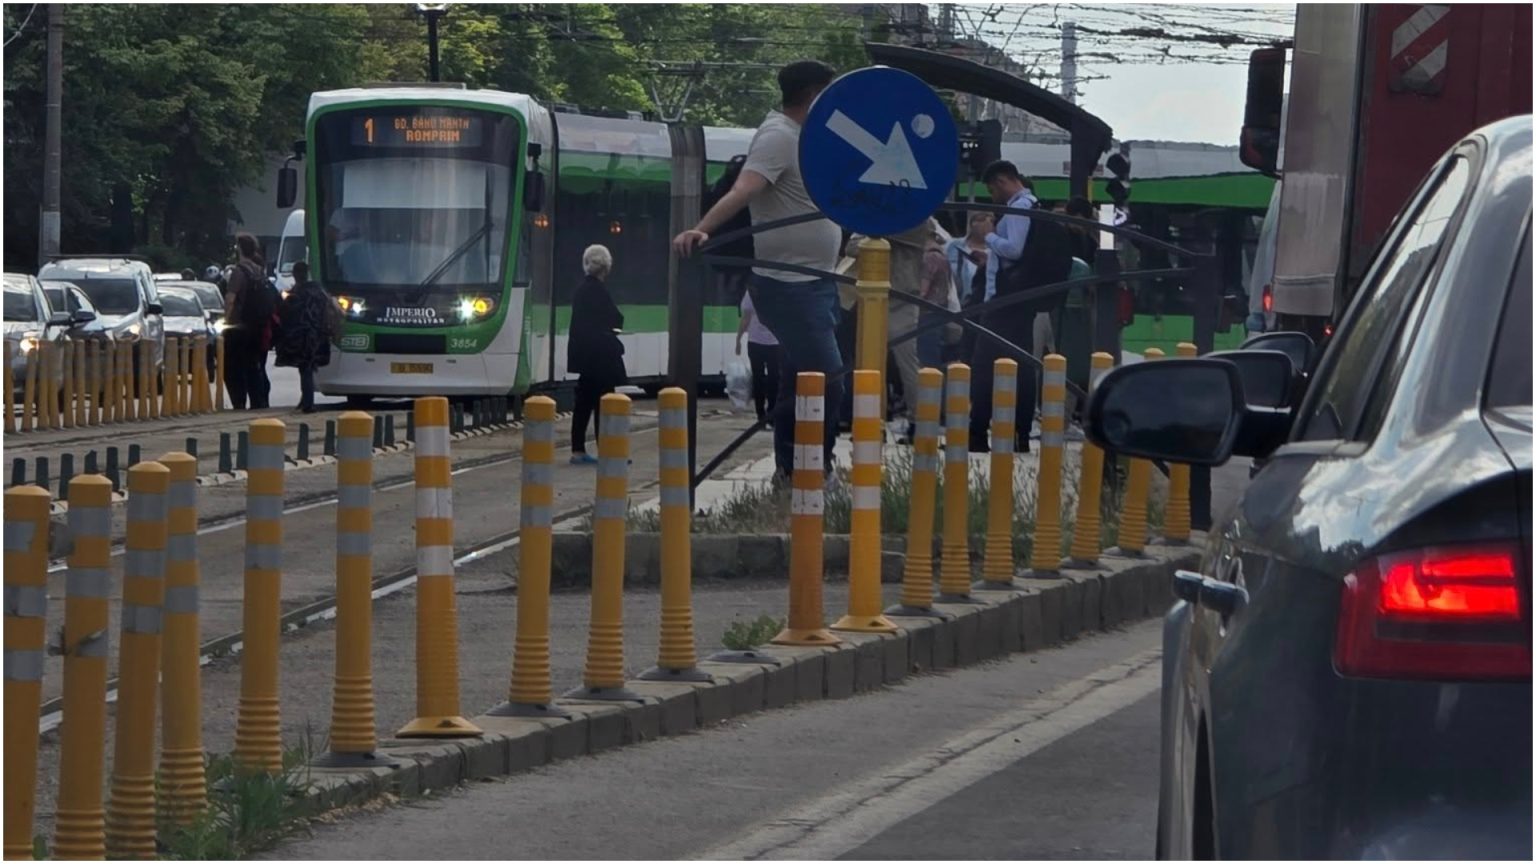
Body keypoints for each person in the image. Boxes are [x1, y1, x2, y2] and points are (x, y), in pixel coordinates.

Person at [673, 60, 842, 480]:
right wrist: (701, 229)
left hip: (812, 280)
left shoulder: (803, 136)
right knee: (828, 376)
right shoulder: (778, 136)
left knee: (799, 376)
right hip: (789, 283)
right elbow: (746, 189)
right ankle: (812, 466)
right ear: (815, 96)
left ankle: (794, 468)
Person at [968, 161, 1073, 453]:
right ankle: (1020, 434)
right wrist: (991, 261)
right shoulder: (1035, 206)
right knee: (1022, 366)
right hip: (1021, 301)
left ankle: (977, 433)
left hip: (1005, 303)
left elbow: (1014, 248)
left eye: (992, 190)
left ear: (1002, 182)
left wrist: (989, 234)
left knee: (983, 367)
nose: (992, 197)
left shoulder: (1018, 209)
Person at [567, 244, 626, 464]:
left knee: (583, 403)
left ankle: (578, 449)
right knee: (605, 403)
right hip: (600, 359)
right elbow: (615, 319)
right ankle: (608, 451)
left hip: (584, 357)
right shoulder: (599, 291)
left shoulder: (581, 290)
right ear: (606, 268)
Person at [274, 261, 336, 413]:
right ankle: (305, 400)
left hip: (302, 335)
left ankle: (308, 402)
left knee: (305, 368)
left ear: (295, 275)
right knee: (308, 367)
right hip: (318, 333)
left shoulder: (297, 292)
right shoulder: (318, 290)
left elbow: (286, 313)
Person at [223, 233, 276, 410]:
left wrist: (225, 320)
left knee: (232, 366)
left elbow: (231, 299)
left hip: (240, 327)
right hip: (259, 326)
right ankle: (258, 401)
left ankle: (239, 401)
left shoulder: (239, 272)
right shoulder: (259, 271)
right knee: (255, 365)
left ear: (239, 249)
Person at [736, 289, 779, 426]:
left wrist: (738, 340)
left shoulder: (753, 291)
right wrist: (738, 340)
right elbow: (746, 318)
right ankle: (769, 413)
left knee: (759, 379)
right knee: (774, 379)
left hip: (759, 342)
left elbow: (746, 318)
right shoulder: (778, 290)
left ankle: (762, 415)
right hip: (772, 343)